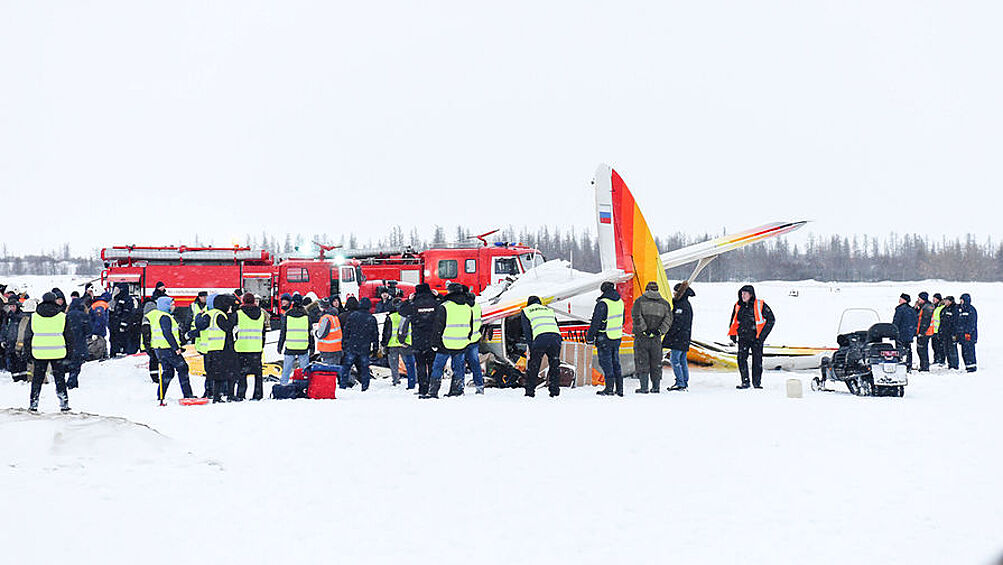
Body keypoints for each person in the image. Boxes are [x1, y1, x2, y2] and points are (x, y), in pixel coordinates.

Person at [25, 292, 73, 411]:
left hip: (39, 353)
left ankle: (34, 403)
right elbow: (70, 337)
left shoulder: (34, 317)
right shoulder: (62, 317)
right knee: (59, 379)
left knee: (37, 379)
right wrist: (69, 354)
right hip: (58, 353)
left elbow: (28, 337)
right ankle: (64, 403)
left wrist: (28, 353)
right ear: (55, 300)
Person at [427, 283, 471, 399]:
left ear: (449, 292)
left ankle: (433, 391)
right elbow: (470, 325)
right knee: (459, 368)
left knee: (438, 367)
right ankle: (457, 390)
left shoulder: (445, 306)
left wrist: (435, 342)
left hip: (445, 343)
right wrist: (467, 338)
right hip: (461, 343)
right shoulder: (467, 307)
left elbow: (438, 327)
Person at [728, 284, 775, 389]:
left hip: (756, 338)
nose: (743, 295)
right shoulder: (738, 305)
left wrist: (762, 337)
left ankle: (757, 383)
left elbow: (771, 320)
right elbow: (733, 320)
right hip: (743, 337)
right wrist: (732, 334)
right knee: (741, 359)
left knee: (757, 361)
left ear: (751, 294)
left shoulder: (760, 305)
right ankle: (745, 381)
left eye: (745, 293)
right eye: (742, 293)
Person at [148, 296, 194, 401]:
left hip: (160, 349)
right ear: (166, 306)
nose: (174, 306)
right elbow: (167, 333)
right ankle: (187, 394)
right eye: (172, 304)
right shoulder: (165, 317)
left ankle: (161, 394)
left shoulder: (159, 316)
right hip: (167, 349)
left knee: (168, 372)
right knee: (183, 368)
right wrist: (176, 348)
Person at [631, 281, 673, 394]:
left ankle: (644, 387)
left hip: (641, 338)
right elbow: (668, 320)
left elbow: (636, 316)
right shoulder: (665, 304)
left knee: (642, 361)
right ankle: (656, 387)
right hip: (656, 339)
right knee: (656, 362)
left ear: (646, 289)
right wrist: (658, 331)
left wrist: (645, 330)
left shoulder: (639, 301)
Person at [587, 281, 625, 397]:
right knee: (616, 362)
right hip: (617, 336)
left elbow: (596, 322)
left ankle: (609, 388)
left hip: (605, 337)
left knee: (606, 363)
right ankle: (619, 389)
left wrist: (590, 337)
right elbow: (622, 320)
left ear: (603, 290)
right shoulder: (620, 302)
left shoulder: (603, 303)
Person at [520, 295, 562, 397]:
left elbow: (527, 331)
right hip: (555, 337)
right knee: (554, 364)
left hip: (540, 338)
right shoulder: (548, 310)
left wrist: (531, 346)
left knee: (534, 365)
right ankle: (554, 390)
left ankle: (530, 391)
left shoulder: (526, 310)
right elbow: (555, 324)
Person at [407, 284, 439, 396]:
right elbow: (444, 306)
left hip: (418, 340)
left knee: (420, 366)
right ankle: (432, 388)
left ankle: (422, 389)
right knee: (432, 365)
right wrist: (437, 296)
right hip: (432, 340)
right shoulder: (435, 303)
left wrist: (409, 300)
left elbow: (401, 310)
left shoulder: (414, 304)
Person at [341, 297, 379, 391]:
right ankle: (365, 386)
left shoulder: (353, 316)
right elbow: (375, 334)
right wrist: (375, 347)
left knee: (347, 367)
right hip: (364, 346)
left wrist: (344, 343)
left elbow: (346, 330)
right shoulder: (371, 318)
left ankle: (343, 384)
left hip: (352, 345)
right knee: (364, 368)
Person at [234, 293, 266, 400]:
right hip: (256, 348)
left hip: (242, 347)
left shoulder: (238, 314)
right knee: (258, 374)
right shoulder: (261, 314)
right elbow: (263, 332)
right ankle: (258, 394)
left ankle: (241, 394)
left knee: (242, 374)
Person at [663, 283, 695, 391]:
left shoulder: (681, 305)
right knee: (682, 360)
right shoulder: (685, 304)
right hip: (684, 337)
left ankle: (680, 382)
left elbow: (677, 323)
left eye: (675, 292)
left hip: (679, 337)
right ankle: (684, 381)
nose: (673, 294)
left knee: (675, 360)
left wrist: (669, 333)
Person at [278, 293, 312, 386]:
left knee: (286, 369)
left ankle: (283, 385)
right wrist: (312, 347)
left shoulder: (287, 314)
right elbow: (310, 333)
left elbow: (283, 332)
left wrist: (280, 346)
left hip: (290, 346)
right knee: (304, 370)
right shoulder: (306, 315)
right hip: (303, 347)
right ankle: (306, 386)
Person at [381, 298, 416, 387]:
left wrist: (384, 343)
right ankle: (414, 378)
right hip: (404, 344)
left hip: (392, 344)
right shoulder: (407, 316)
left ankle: (396, 380)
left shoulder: (391, 317)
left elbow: (386, 332)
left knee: (394, 364)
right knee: (408, 363)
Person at [65, 297, 91, 389]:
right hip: (80, 343)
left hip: (68, 344)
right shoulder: (84, 316)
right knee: (77, 364)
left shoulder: (66, 316)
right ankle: (73, 380)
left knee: (70, 362)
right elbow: (88, 331)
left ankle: (71, 380)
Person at [463, 288, 485, 394]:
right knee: (475, 364)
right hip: (475, 339)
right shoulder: (477, 306)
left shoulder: (464, 308)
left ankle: (459, 387)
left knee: (459, 364)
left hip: (463, 339)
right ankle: (479, 386)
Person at [2, 297, 30, 382]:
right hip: (9, 342)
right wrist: (2, 339)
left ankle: (23, 378)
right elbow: (4, 328)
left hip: (19, 342)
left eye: (13, 306)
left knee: (21, 361)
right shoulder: (7, 317)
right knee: (12, 362)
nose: (12, 308)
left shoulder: (22, 316)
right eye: (10, 306)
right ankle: (16, 378)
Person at [893, 293, 918, 372]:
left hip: (901, 333)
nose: (899, 300)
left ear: (905, 300)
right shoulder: (911, 310)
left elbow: (896, 322)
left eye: (901, 298)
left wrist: (893, 331)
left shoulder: (900, 309)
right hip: (909, 333)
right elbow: (915, 321)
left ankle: (901, 364)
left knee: (900, 349)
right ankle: (908, 364)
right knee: (908, 349)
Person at [315, 298, 344, 368]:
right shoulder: (334, 316)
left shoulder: (326, 318)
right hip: (337, 348)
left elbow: (321, 334)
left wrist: (315, 332)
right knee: (335, 371)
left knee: (329, 372)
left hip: (328, 349)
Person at [139, 298, 160, 383]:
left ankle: (154, 376)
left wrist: (147, 345)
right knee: (156, 360)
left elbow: (145, 332)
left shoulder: (145, 318)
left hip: (149, 343)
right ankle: (157, 377)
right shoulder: (156, 316)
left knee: (153, 360)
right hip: (156, 343)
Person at [914, 292, 935, 372]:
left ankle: (925, 367)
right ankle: (923, 365)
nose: (918, 300)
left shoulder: (927, 308)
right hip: (923, 332)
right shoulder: (923, 307)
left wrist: (921, 333)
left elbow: (925, 322)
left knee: (922, 350)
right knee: (921, 349)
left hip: (925, 333)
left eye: (919, 298)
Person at [956, 293, 977, 373]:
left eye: (962, 300)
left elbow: (972, 323)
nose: (960, 301)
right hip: (962, 335)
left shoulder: (971, 310)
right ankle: (967, 365)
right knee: (964, 351)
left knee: (970, 351)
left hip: (969, 335)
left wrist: (968, 332)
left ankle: (972, 366)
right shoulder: (961, 309)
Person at [938, 296, 960, 370]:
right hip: (945, 333)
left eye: (947, 300)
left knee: (952, 349)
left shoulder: (954, 309)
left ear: (950, 301)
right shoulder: (944, 309)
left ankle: (954, 365)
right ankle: (950, 364)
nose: (945, 302)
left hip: (951, 332)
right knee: (946, 349)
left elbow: (956, 322)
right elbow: (941, 321)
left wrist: (954, 333)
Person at [88, 290, 110, 360]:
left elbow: (99, 318)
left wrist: (95, 332)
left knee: (97, 346)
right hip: (99, 330)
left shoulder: (98, 304)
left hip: (96, 330)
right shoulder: (101, 304)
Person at [931, 293, 946, 366]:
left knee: (940, 347)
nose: (933, 300)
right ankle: (936, 359)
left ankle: (941, 360)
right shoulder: (934, 307)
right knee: (934, 346)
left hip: (939, 331)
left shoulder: (941, 307)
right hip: (934, 330)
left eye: (935, 298)